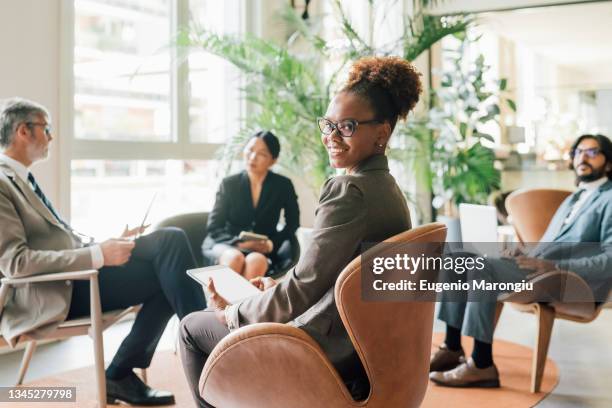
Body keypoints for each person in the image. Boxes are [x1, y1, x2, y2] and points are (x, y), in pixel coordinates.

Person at [178, 55, 423, 407]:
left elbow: (306, 285)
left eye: (348, 126)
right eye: (329, 125)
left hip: (323, 347)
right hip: (361, 342)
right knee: (249, 301)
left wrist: (233, 314)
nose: (332, 137)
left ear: (381, 133)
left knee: (190, 327)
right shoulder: (388, 189)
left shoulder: (349, 191)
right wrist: (275, 289)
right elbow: (332, 276)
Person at [0, 98, 207, 405]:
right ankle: (207, 354)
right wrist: (98, 256)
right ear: (23, 131)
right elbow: (16, 263)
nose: (52, 137)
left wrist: (106, 245)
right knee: (170, 245)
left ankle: (130, 371)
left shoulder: (24, 179)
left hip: (76, 278)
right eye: (47, 129)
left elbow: (58, 243)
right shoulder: (3, 183)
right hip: (54, 292)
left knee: (170, 266)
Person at [430, 133, 612, 388]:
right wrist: (523, 253)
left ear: (609, 162)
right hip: (542, 271)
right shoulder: (574, 198)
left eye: (593, 152)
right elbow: (549, 247)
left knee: (482, 268)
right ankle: (451, 347)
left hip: (572, 281)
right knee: (457, 258)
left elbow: (609, 260)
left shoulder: (608, 198)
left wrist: (557, 267)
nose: (583, 157)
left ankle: (482, 365)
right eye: (579, 151)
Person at [202, 131, 300, 279]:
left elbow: (293, 223)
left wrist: (271, 244)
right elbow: (214, 227)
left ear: (273, 160)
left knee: (257, 261)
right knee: (235, 258)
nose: (253, 157)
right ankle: (222, 303)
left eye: (262, 154)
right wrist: (238, 243)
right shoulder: (229, 184)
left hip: (260, 250)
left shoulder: (283, 185)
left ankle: (237, 303)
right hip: (227, 243)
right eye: (250, 150)